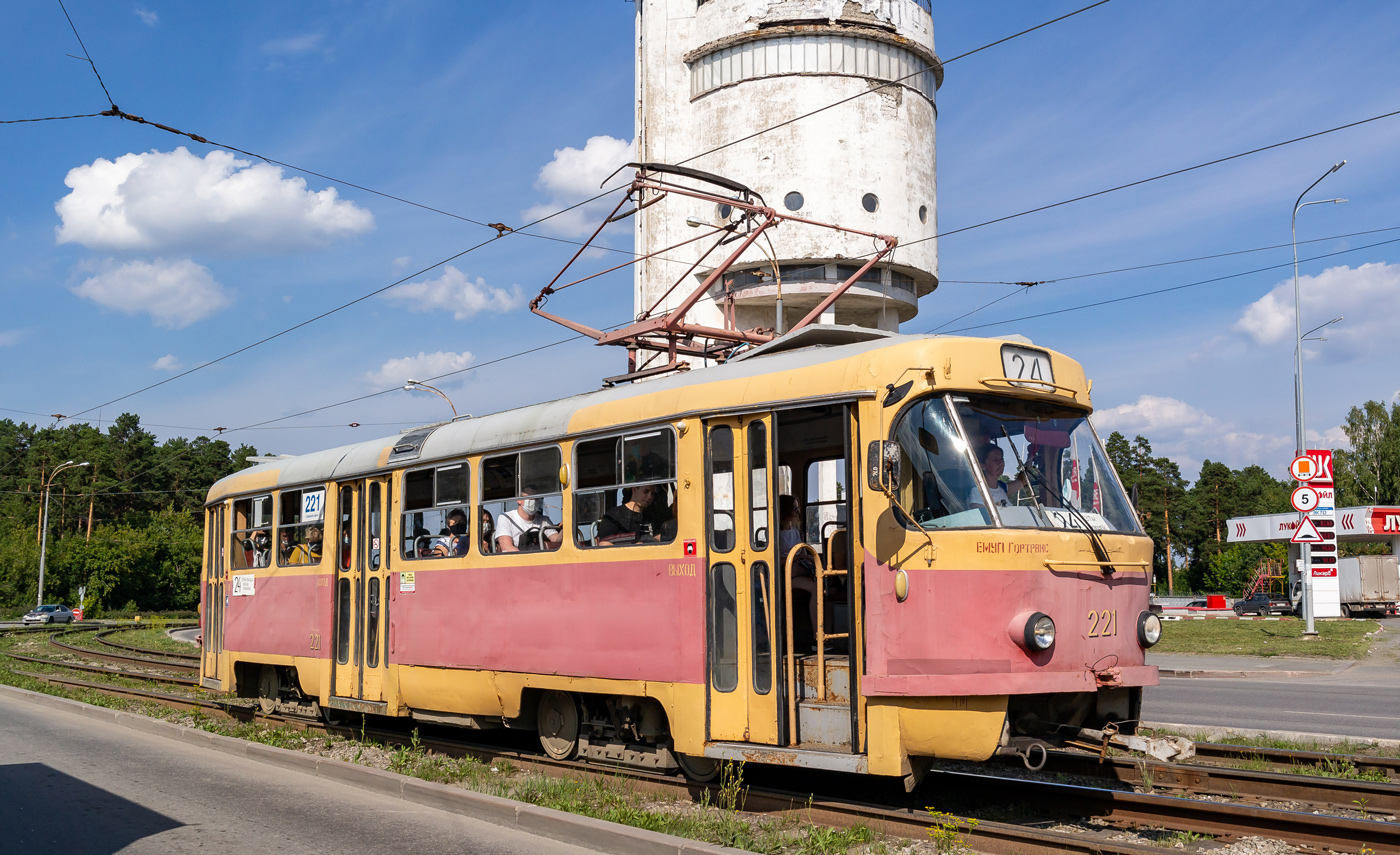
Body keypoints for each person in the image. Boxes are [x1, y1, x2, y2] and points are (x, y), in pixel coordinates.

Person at [777, 495, 820, 644]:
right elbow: (775, 560)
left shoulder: (796, 532)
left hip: (798, 573)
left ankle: (825, 635)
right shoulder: (776, 534)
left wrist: (807, 560)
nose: (797, 511)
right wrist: (796, 558)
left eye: (798, 508)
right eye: (794, 508)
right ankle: (817, 636)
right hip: (784, 575)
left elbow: (803, 554)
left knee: (823, 590)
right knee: (816, 588)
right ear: (785, 510)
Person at [496, 489, 561, 553]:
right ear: (519, 500)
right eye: (530, 498)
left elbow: (556, 540)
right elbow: (507, 548)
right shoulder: (506, 518)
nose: (534, 501)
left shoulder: (544, 520)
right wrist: (528, 558)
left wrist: (565, 526)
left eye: (536, 498)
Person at [969, 444, 1027, 510]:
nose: (1001, 463)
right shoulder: (977, 492)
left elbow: (1023, 481)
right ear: (982, 466)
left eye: (1001, 459)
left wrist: (1031, 455)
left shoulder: (1002, 488)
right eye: (995, 460)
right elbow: (981, 515)